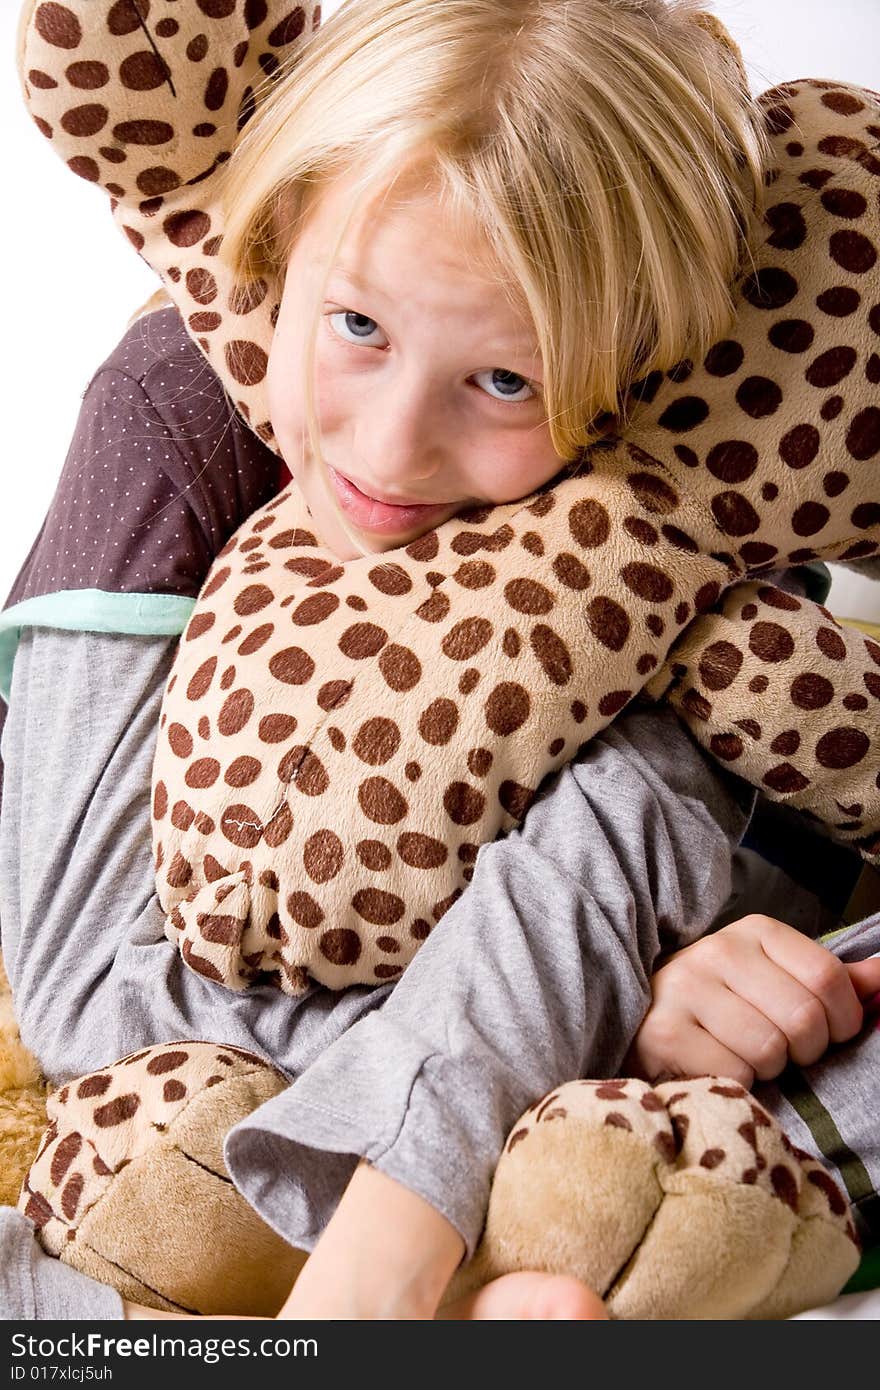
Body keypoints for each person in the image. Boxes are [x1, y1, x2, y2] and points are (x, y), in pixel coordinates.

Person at [2, 0, 879, 1320]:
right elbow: (91, 1000)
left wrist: (673, 1003)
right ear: (283, 230)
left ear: (636, 372)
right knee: (144, 1147)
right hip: (247, 1089)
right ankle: (473, 1258)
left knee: (665, 819)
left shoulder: (687, 524)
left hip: (621, 1095)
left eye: (507, 382)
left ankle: (549, 1230)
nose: (393, 447)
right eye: (355, 325)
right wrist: (600, 1014)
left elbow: (667, 827)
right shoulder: (171, 413)